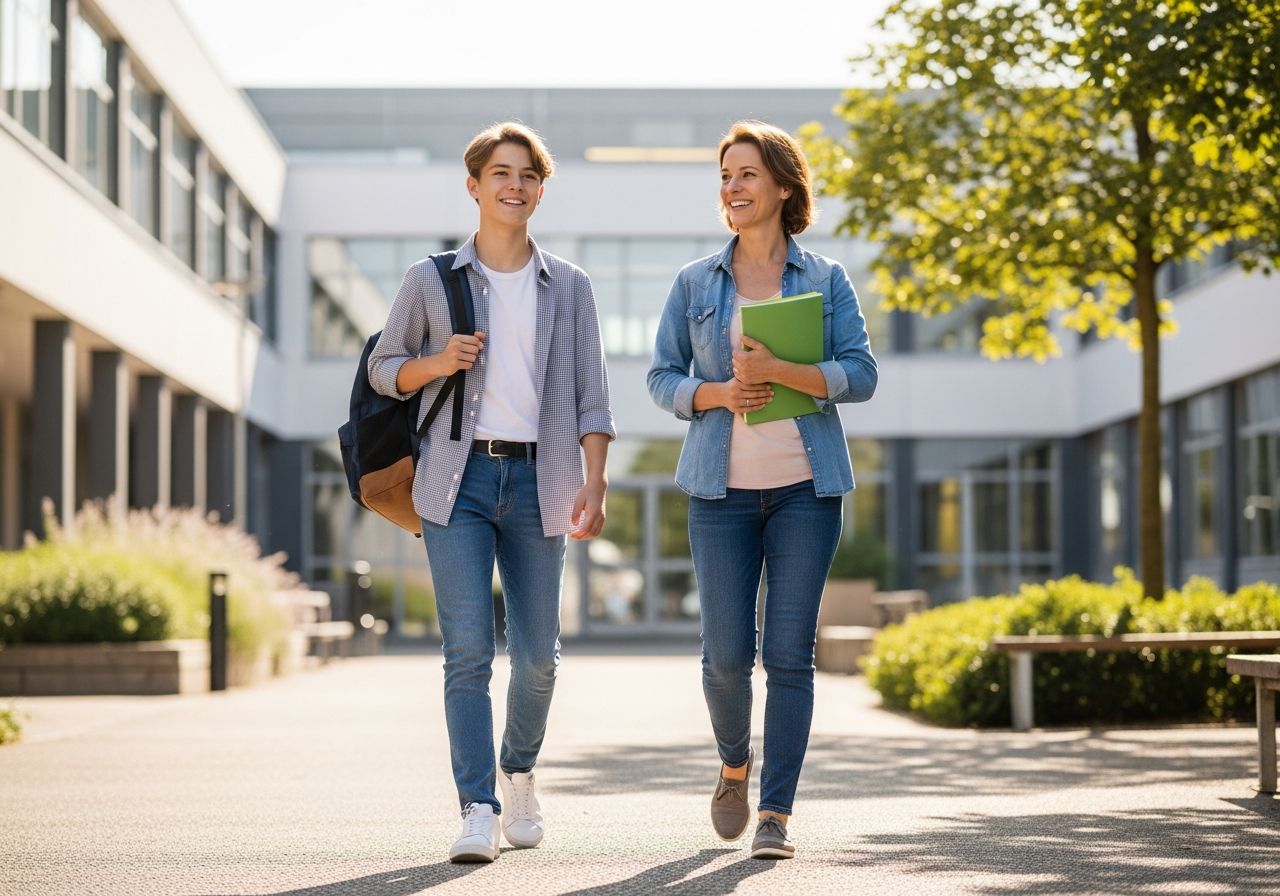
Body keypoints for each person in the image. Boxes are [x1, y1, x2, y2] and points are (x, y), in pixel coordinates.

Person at [368, 122, 615, 863]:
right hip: (458, 479)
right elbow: (384, 368)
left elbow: (594, 396)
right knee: (468, 651)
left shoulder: (570, 286)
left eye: (528, 175)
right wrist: (437, 362)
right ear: (474, 185)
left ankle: (520, 772)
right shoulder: (431, 279)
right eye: (501, 173)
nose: (515, 185)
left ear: (541, 190)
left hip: (543, 480)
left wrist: (595, 478)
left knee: (538, 657)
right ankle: (477, 806)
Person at [647, 120, 877, 859]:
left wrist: (783, 373)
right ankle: (733, 765)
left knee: (788, 657)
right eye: (726, 176)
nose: (733, 187)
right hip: (720, 493)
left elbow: (862, 373)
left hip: (807, 490)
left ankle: (775, 812)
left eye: (747, 174)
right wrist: (716, 393)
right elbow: (661, 377)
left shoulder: (826, 279)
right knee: (724, 657)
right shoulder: (695, 282)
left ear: (782, 186)